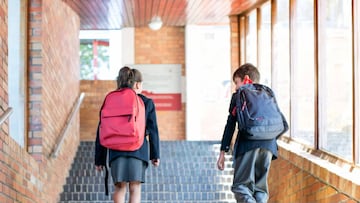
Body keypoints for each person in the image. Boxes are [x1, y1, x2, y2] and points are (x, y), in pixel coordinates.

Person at [216, 63, 288, 203]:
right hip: (269, 146)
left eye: (236, 82)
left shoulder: (239, 95)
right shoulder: (267, 93)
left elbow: (230, 124)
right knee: (260, 189)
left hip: (247, 144)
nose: (236, 87)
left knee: (241, 186)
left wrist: (222, 152)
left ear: (246, 79)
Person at [95, 66, 160, 203]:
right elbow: (153, 130)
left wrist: (99, 158)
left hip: (116, 151)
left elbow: (101, 129)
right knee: (134, 189)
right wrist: (155, 154)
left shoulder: (111, 100)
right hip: (137, 149)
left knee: (119, 188)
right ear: (137, 84)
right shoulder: (146, 102)